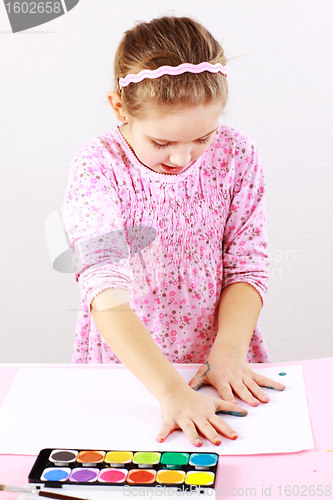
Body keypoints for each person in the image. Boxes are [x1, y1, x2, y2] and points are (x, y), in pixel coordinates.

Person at [63, 16, 285, 447]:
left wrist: (229, 350)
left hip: (220, 352)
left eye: (203, 137)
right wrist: (169, 391)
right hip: (131, 367)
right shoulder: (98, 167)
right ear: (119, 107)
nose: (182, 158)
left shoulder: (236, 152)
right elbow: (103, 290)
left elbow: (246, 264)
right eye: (161, 143)